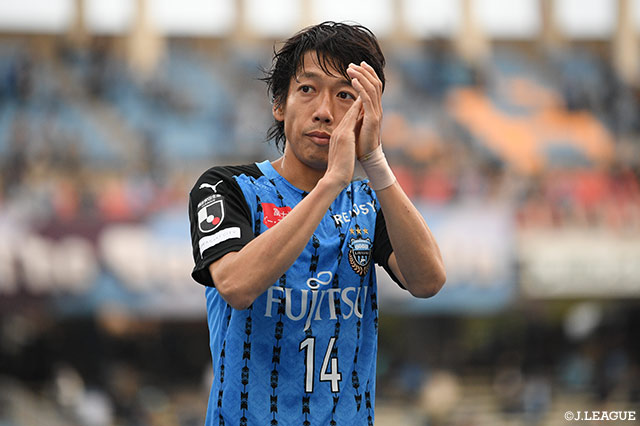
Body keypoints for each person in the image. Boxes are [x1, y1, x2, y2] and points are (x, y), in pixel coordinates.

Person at [188, 21, 446, 426]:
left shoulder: (367, 201)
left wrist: (374, 161)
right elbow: (236, 285)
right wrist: (331, 184)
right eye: (307, 89)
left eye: (345, 95)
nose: (325, 112)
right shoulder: (227, 187)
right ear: (280, 104)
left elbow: (428, 281)